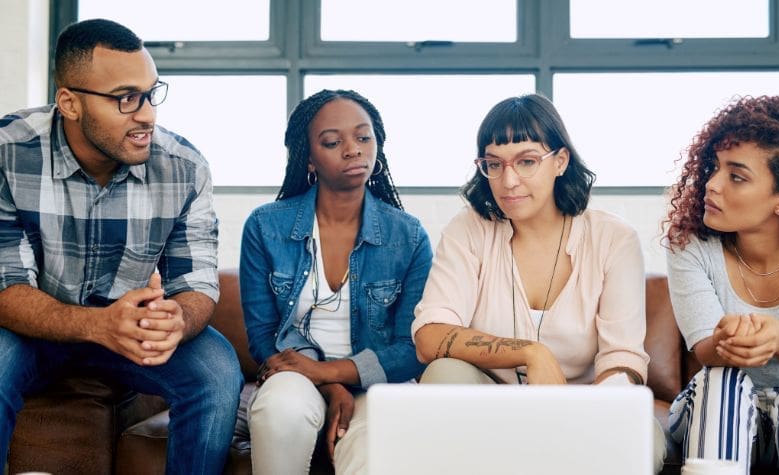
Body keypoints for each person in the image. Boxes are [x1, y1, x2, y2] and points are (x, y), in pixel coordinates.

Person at [0, 19, 242, 473]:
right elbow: (4, 284)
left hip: (131, 332)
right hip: (29, 331)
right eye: (126, 98)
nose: (148, 114)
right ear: (69, 102)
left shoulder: (184, 168)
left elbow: (198, 281)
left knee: (216, 371)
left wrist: (178, 318)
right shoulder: (7, 153)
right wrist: (96, 324)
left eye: (152, 93)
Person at [412, 93, 665, 472]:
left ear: (560, 161)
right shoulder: (469, 229)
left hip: (584, 405)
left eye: (527, 162)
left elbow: (622, 358)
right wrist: (531, 352)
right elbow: (430, 335)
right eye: (493, 165)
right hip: (489, 407)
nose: (508, 181)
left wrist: (584, 419)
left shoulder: (614, 238)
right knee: (444, 374)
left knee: (642, 435)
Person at [239, 89, 433, 474]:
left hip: (381, 384)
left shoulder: (408, 236)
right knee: (280, 412)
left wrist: (332, 373)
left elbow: (413, 348)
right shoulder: (265, 227)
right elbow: (262, 336)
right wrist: (326, 385)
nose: (352, 150)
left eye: (364, 137)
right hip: (297, 375)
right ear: (309, 158)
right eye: (333, 141)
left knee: (375, 451)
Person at [663, 91, 779, 474]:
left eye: (736, 176)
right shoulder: (689, 245)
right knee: (721, 382)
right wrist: (726, 337)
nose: (711, 184)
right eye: (715, 167)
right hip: (717, 405)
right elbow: (706, 352)